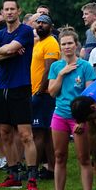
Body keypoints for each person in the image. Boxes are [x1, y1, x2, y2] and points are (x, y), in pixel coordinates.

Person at [0, 0, 39, 190]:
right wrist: (9, 53)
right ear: (2, 11)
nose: (9, 12)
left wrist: (5, 52)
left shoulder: (24, 31)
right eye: (6, 9)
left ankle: (32, 178)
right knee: (5, 132)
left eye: (12, 9)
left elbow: (7, 48)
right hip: (2, 88)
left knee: (25, 134)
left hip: (21, 87)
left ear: (19, 11)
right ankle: (13, 175)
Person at [42, 30, 96, 190]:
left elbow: (89, 97)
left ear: (76, 44)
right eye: (63, 44)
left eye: (69, 43)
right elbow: (52, 92)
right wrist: (61, 74)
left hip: (78, 118)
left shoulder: (85, 66)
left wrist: (82, 121)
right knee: (59, 156)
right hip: (60, 115)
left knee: (83, 158)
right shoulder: (56, 67)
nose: (67, 47)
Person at [29, 13, 59, 180]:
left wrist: (40, 90)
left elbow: (49, 69)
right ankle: (51, 169)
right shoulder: (39, 43)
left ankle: (33, 169)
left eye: (44, 23)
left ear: (51, 26)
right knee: (46, 134)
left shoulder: (51, 43)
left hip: (44, 94)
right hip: (37, 92)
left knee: (38, 133)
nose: (40, 25)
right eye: (38, 22)